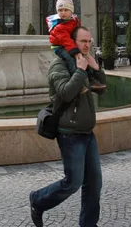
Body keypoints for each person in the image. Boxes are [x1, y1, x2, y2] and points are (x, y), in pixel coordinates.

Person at [30, 26, 106, 227]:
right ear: (72, 42)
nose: (87, 45)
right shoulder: (60, 65)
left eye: (89, 41)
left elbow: (101, 89)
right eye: (83, 41)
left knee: (94, 184)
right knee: (72, 182)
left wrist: (96, 69)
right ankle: (38, 200)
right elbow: (65, 93)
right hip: (69, 134)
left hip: (87, 132)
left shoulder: (82, 62)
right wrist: (80, 70)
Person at [47, 0, 105, 91]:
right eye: (60, 10)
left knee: (84, 58)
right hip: (60, 47)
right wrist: (76, 52)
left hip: (70, 45)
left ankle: (91, 79)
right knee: (71, 60)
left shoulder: (74, 21)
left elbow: (77, 32)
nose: (63, 13)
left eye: (66, 10)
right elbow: (66, 40)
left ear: (71, 11)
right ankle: (79, 83)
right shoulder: (58, 26)